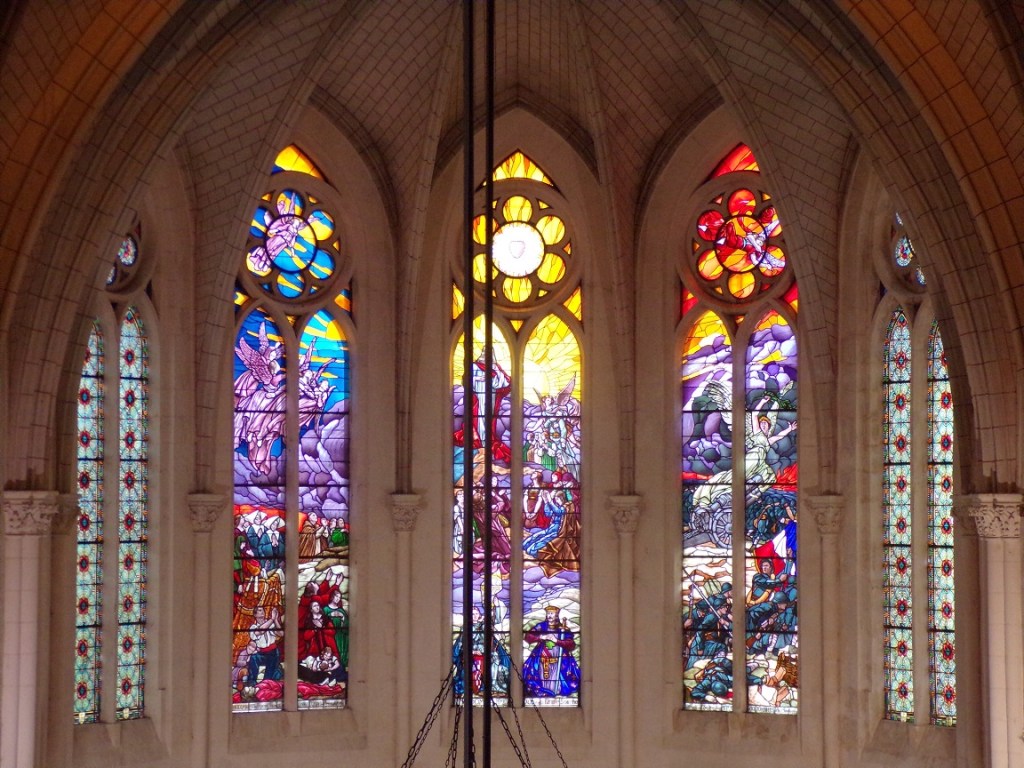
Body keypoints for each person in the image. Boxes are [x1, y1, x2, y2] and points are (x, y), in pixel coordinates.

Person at [522, 606, 580, 698]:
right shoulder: (541, 626)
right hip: (542, 659)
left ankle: (555, 693)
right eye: (548, 613)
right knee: (541, 677)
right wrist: (541, 637)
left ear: (556, 615)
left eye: (552, 613)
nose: (549, 615)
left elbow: (571, 644)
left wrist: (557, 641)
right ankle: (544, 693)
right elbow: (528, 637)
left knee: (557, 678)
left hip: (559, 660)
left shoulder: (563, 629)